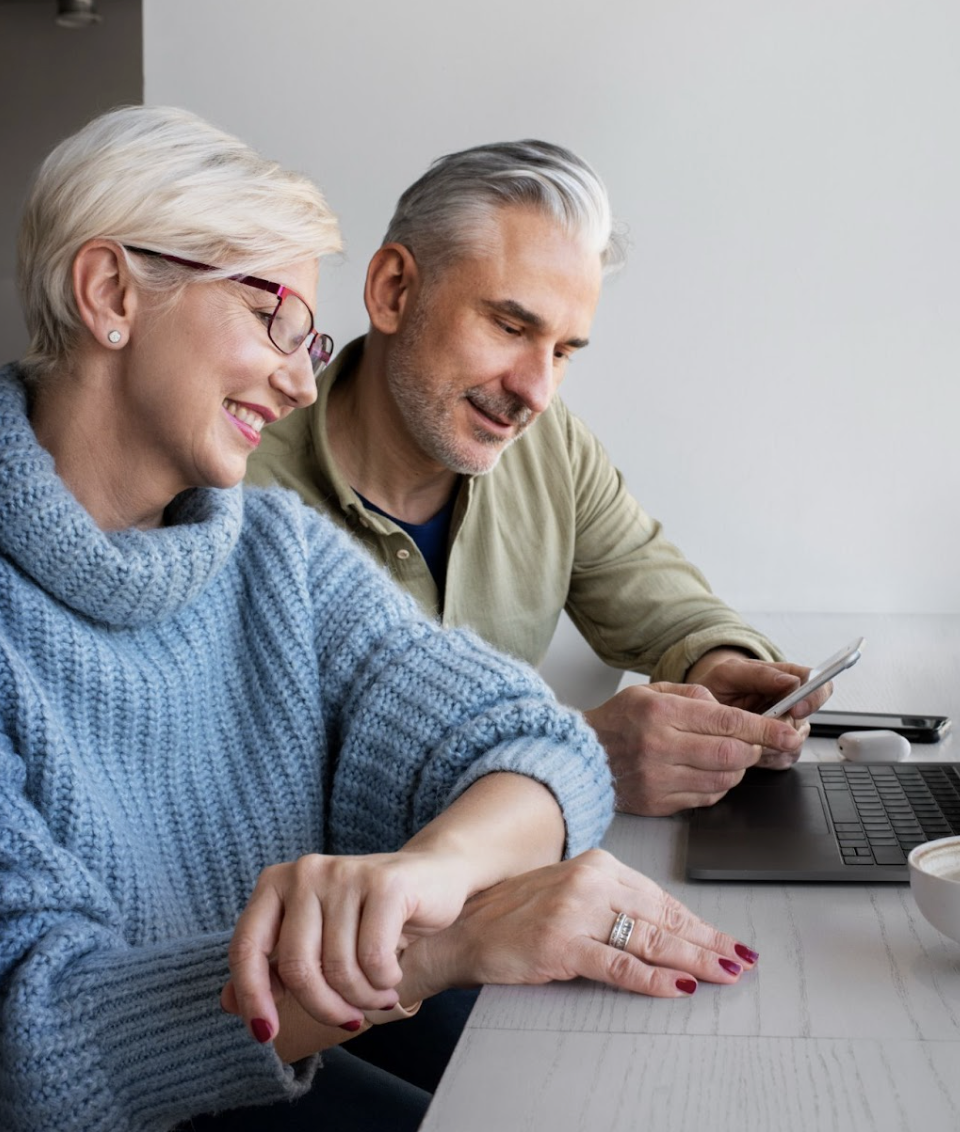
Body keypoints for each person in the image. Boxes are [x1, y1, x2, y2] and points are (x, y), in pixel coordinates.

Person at [0, 107, 758, 1132]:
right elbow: (38, 1046)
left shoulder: (275, 552)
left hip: (282, 1042)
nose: (301, 375)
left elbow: (529, 739)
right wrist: (433, 944)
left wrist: (432, 876)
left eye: (305, 336)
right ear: (110, 292)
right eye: (270, 316)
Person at [246, 139, 833, 818]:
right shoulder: (236, 491)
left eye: (561, 352)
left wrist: (722, 671)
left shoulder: (550, 447)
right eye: (509, 326)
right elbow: (260, 792)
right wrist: (569, 752)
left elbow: (669, 609)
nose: (535, 391)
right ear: (393, 291)